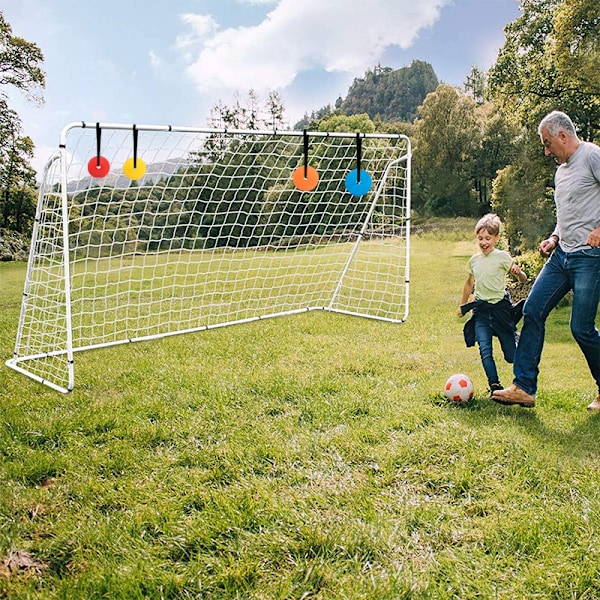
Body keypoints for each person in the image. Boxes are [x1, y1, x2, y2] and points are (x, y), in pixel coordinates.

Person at [492, 110, 600, 410]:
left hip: (590, 258)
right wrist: (554, 237)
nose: (546, 150)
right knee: (533, 309)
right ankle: (524, 387)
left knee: (581, 328)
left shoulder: (592, 156)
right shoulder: (561, 171)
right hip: (561, 255)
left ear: (563, 136)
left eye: (548, 143)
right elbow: (568, 212)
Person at [458, 213, 527, 396]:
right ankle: (495, 386)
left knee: (511, 356)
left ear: (496, 238)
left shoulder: (502, 257)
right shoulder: (474, 260)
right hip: (481, 310)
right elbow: (468, 284)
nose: (484, 242)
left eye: (488, 238)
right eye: (480, 238)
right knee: (485, 350)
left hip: (500, 311)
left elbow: (522, 279)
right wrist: (462, 306)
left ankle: (515, 337)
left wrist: (518, 273)